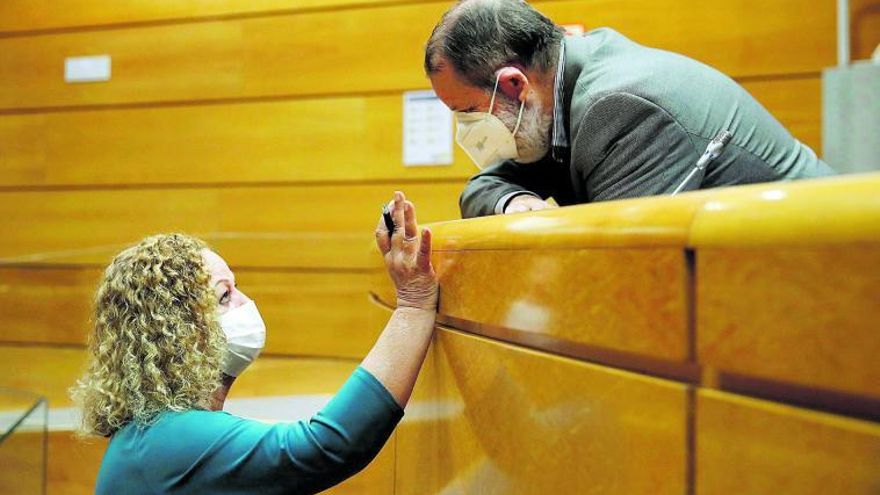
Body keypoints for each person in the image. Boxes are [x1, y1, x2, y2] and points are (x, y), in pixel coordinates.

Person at [71, 191, 437, 495]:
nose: (246, 303)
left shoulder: (155, 432)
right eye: (224, 296)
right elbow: (328, 447)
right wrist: (413, 304)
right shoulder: (166, 438)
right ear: (179, 332)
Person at [424, 0, 836, 218]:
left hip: (832, 271)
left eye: (469, 111)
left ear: (513, 84)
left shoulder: (618, 108)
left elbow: (613, 269)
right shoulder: (547, 104)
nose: (466, 130)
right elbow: (482, 188)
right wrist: (513, 203)